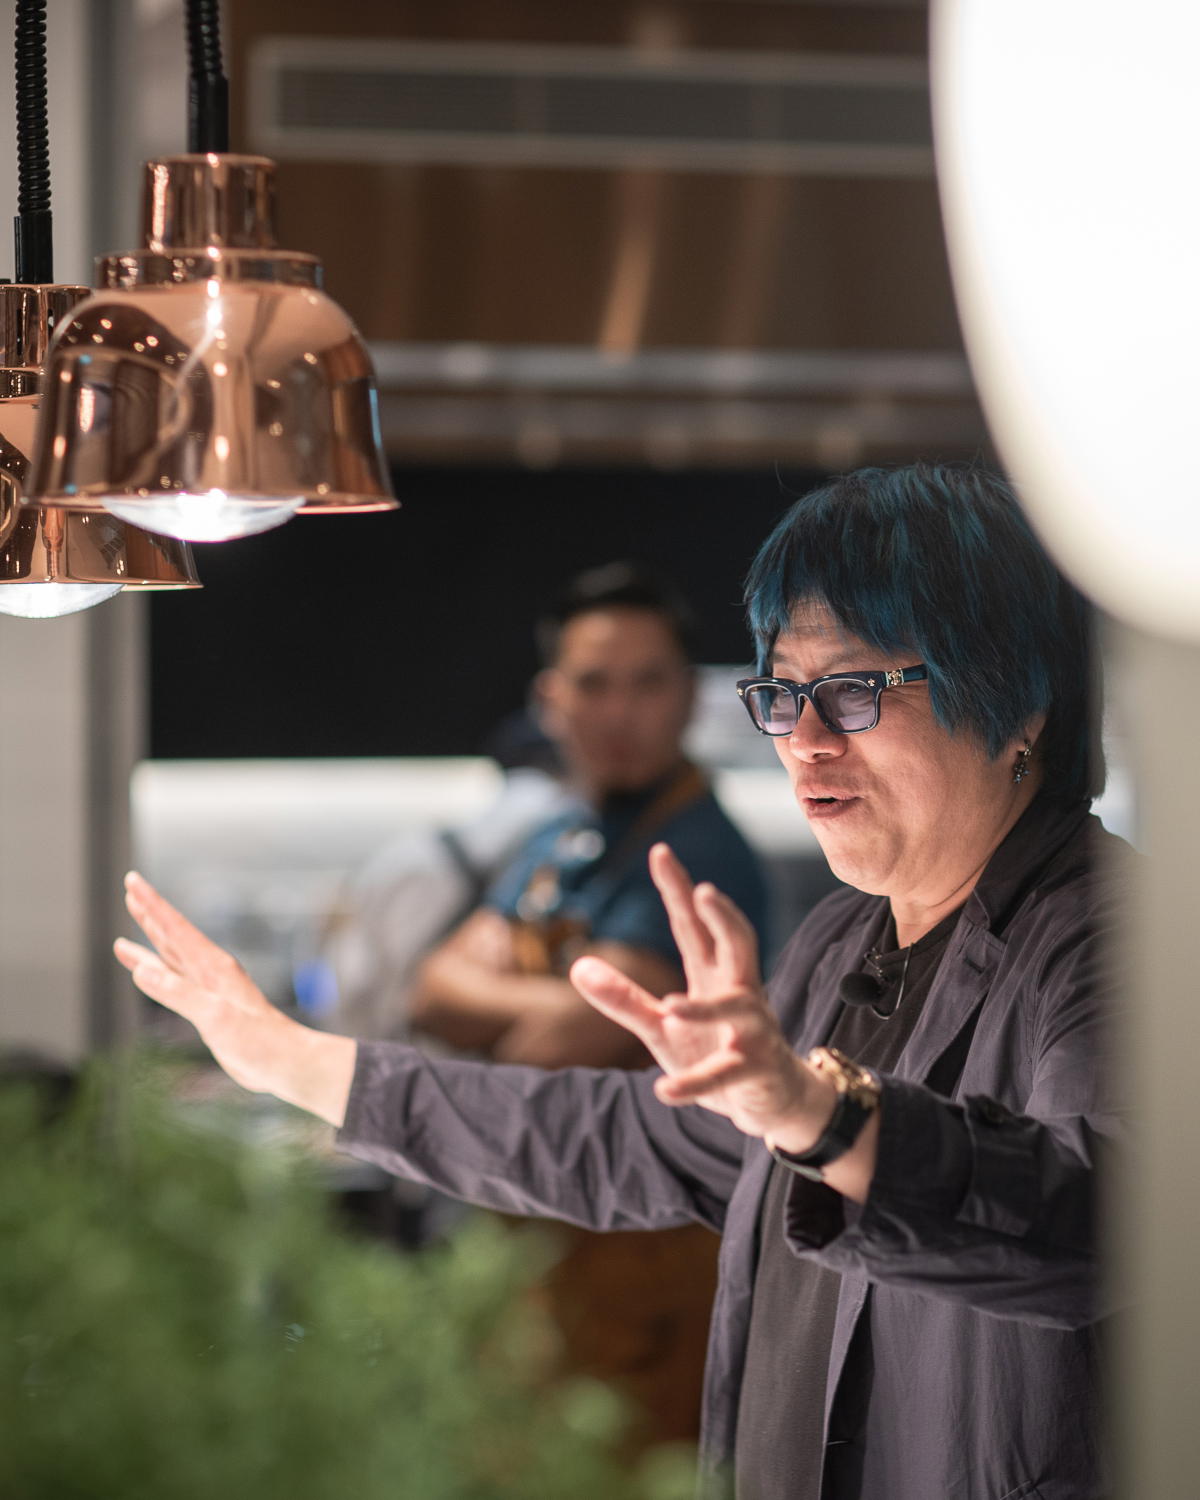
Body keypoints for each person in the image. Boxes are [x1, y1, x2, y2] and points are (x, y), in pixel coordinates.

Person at [115, 464, 1124, 1500]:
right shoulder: (838, 946)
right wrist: (295, 1059)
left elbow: (1103, 1222)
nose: (807, 742)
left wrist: (821, 1115)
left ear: (1020, 702)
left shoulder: (1116, 934)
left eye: (857, 691)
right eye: (782, 695)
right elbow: (620, 1138)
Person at [406, 561, 768, 1069]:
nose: (619, 712)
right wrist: (559, 1000)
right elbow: (430, 993)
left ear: (688, 697)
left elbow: (549, 1056)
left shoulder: (697, 854)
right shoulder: (563, 830)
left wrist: (505, 994)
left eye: (648, 683)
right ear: (550, 700)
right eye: (593, 684)